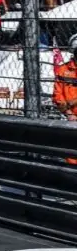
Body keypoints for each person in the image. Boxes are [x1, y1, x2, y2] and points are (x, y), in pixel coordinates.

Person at [53, 33, 77, 164]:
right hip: (71, 117)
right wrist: (69, 113)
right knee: (72, 153)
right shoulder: (63, 70)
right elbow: (58, 96)